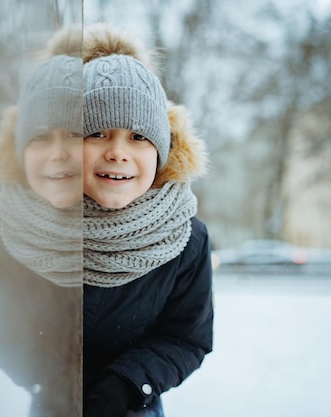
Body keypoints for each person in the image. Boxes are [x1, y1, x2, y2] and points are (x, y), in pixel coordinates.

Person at [81, 24, 214, 417]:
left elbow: (186, 337)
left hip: (130, 403)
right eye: (98, 133)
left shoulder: (185, 238)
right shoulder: (34, 226)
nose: (118, 152)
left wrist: (126, 383)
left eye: (139, 136)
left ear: (162, 151)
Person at [0, 29, 84, 417]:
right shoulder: (5, 233)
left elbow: (183, 334)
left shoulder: (168, 235)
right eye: (40, 138)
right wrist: (53, 383)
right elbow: (3, 331)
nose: (57, 153)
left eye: (74, 135)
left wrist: (128, 385)